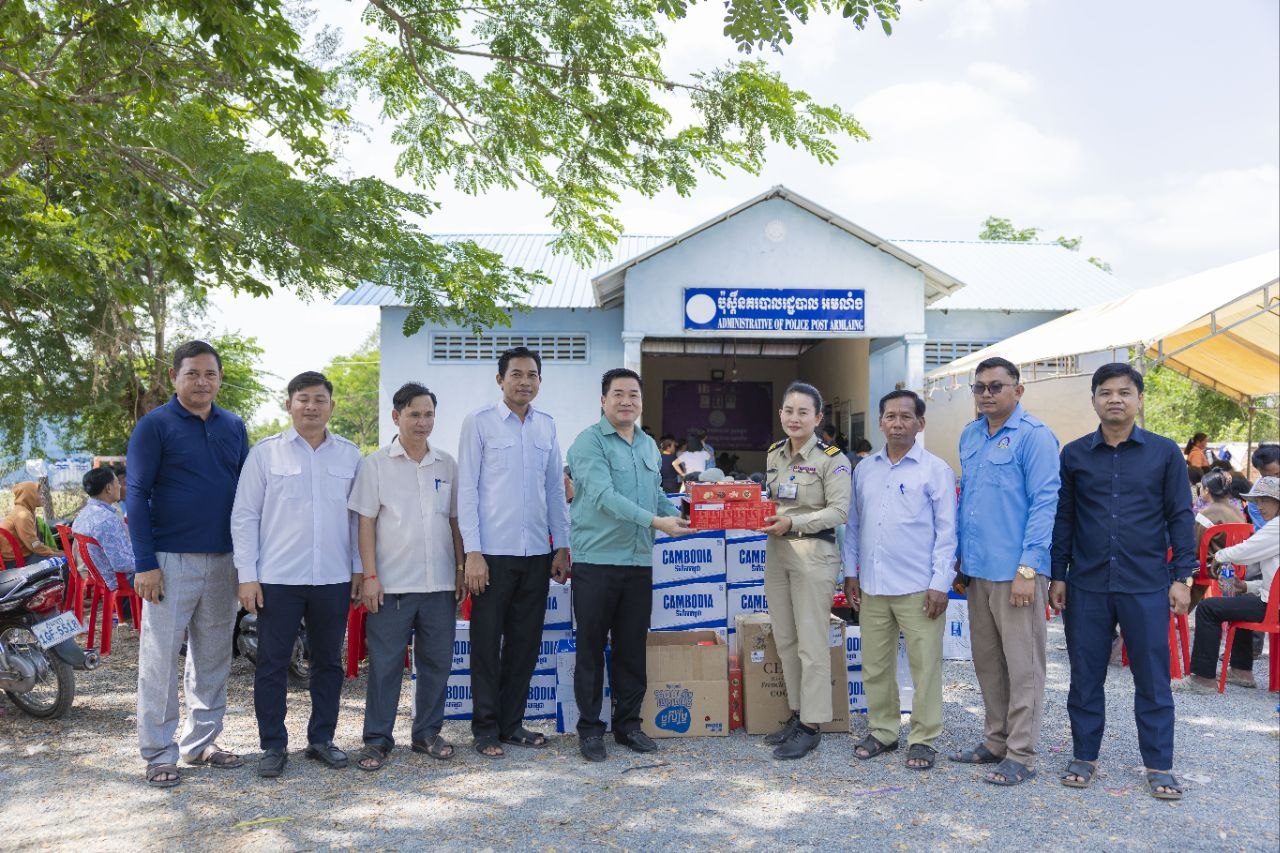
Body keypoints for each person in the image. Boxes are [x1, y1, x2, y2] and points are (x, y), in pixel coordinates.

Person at [1049, 362, 1195, 801]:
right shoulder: (1075, 454)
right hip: (1087, 584)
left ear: (1139, 399)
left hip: (1146, 583)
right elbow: (1065, 517)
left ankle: (1159, 765)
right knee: (1085, 675)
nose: (1115, 399)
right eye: (1106, 392)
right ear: (1094, 399)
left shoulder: (1164, 452)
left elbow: (1180, 515)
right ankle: (1084, 756)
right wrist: (1058, 574)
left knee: (1152, 678)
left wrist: (1182, 577)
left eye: (1125, 392)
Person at [127, 340, 250, 788]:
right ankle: (159, 752)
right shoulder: (155, 425)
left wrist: (249, 562)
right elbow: (136, 493)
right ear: (175, 377)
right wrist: (145, 563)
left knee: (213, 655)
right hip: (169, 561)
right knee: (160, 659)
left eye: (210, 374)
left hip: (225, 559)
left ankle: (201, 742)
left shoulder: (233, 426)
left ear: (220, 379)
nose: (202, 382)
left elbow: (247, 496)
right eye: (192, 373)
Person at [230, 371, 361, 778]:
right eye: (303, 399)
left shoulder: (350, 455)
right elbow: (245, 516)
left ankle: (322, 739)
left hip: (333, 577)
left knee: (328, 662)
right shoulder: (266, 454)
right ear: (289, 405)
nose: (311, 406)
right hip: (278, 578)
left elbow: (358, 520)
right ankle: (273, 745)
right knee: (272, 662)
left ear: (331, 406)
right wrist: (247, 576)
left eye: (320, 399)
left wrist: (359, 569)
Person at [566, 368, 690, 762]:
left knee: (632, 648)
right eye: (618, 394)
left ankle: (628, 725)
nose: (626, 401)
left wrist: (687, 517)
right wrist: (657, 523)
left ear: (641, 401)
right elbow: (603, 497)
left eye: (633, 394)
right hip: (596, 561)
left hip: (638, 561)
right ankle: (590, 730)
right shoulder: (588, 443)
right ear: (603, 400)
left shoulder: (648, 445)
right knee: (590, 648)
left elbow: (656, 496)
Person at [950, 357, 1060, 786]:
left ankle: (1021, 754)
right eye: (979, 387)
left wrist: (1028, 569)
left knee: (1023, 665)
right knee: (988, 663)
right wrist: (961, 559)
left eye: (996, 386)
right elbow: (969, 500)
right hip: (978, 569)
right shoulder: (970, 434)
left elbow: (1045, 504)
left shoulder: (1035, 437)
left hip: (1017, 572)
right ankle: (995, 741)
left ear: (1018, 389)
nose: (986, 394)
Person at [457, 347, 570, 759]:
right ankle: (485, 729)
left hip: (537, 554)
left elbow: (554, 490)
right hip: (492, 555)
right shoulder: (479, 422)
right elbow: (467, 490)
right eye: (517, 374)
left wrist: (562, 546)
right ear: (500, 379)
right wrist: (473, 552)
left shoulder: (546, 426)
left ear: (540, 380)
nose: (525, 381)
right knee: (487, 645)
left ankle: (512, 724)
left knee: (525, 644)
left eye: (532, 375)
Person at [347, 382, 464, 772]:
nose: (422, 422)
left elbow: (454, 522)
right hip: (391, 586)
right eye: (414, 414)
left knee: (436, 663)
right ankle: (377, 740)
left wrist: (460, 568)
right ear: (396, 417)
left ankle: (426, 733)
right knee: (385, 666)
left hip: (439, 585)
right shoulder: (376, 464)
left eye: (429, 414)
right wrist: (370, 576)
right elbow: (365, 524)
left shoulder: (446, 464)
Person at [843, 390, 955, 771]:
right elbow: (854, 526)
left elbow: (947, 533)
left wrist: (941, 583)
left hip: (920, 588)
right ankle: (883, 731)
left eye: (906, 417)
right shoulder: (864, 470)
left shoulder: (935, 470)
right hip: (873, 587)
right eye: (890, 416)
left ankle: (923, 738)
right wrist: (851, 572)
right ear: (880, 422)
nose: (897, 423)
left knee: (925, 667)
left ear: (920, 423)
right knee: (875, 665)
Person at [758, 381, 851, 760]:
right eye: (788, 410)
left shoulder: (833, 459)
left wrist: (793, 523)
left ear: (818, 418)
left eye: (803, 412)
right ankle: (797, 714)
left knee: (812, 643)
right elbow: (773, 501)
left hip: (813, 554)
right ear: (780, 413)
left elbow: (839, 511)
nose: (794, 418)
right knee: (786, 638)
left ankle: (812, 726)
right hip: (777, 553)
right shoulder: (774, 454)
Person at [1175, 476, 1279, 693]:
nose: (1259, 506)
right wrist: (1247, 586)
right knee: (1242, 600)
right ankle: (1242, 671)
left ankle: (1202, 679)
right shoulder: (1245, 515)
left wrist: (1220, 556)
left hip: (1273, 607)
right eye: (1257, 501)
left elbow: (1246, 550)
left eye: (1265, 501)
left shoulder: (1276, 527)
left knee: (1208, 608)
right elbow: (1274, 580)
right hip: (1273, 601)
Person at [70, 468, 134, 591]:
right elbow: (121, 564)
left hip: (99, 577)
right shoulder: (107, 519)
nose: (120, 486)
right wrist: (148, 562)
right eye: (117, 483)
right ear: (108, 488)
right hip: (118, 580)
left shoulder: (84, 513)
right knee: (161, 571)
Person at [1, 481, 61, 568]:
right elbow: (34, 545)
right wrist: (55, 553)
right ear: (29, 496)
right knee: (64, 560)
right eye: (39, 494)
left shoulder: (23, 511)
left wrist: (53, 551)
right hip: (15, 561)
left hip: (20, 557)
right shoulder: (23, 515)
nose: (42, 497)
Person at [1247, 444, 1280, 529]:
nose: (1275, 479)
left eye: (1277, 473)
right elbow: (1266, 531)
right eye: (1267, 477)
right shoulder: (1255, 499)